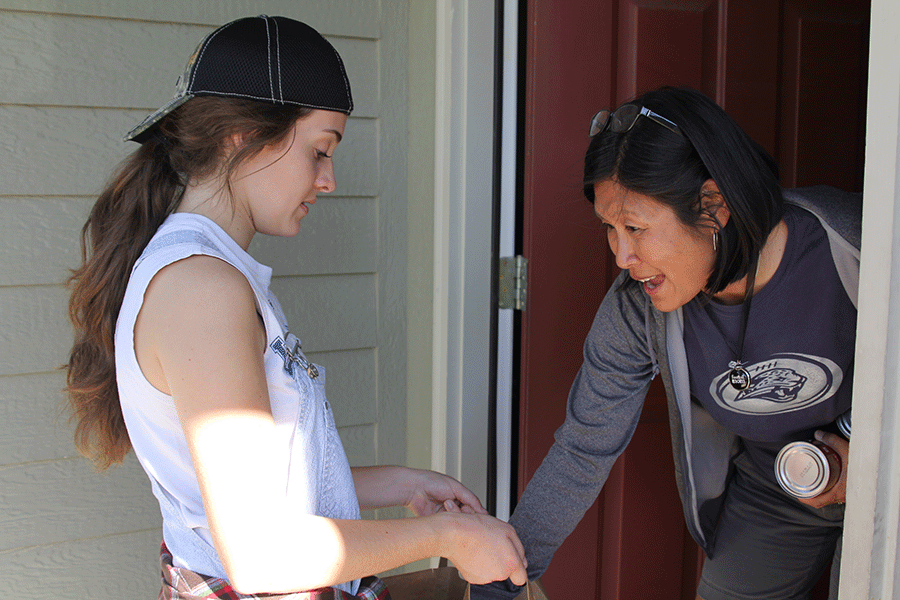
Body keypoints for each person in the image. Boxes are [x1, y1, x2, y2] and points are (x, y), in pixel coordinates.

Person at [64, 15, 527, 599]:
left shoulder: (209, 273)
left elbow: (273, 491)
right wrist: (444, 536)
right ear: (242, 137)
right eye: (319, 151)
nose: (328, 179)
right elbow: (262, 552)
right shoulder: (201, 291)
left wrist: (404, 484)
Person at [472, 86, 858, 600]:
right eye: (609, 228)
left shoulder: (854, 248)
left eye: (635, 226)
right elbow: (584, 446)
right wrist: (504, 578)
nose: (622, 255)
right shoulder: (638, 307)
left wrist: (871, 454)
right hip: (776, 486)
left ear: (713, 205)